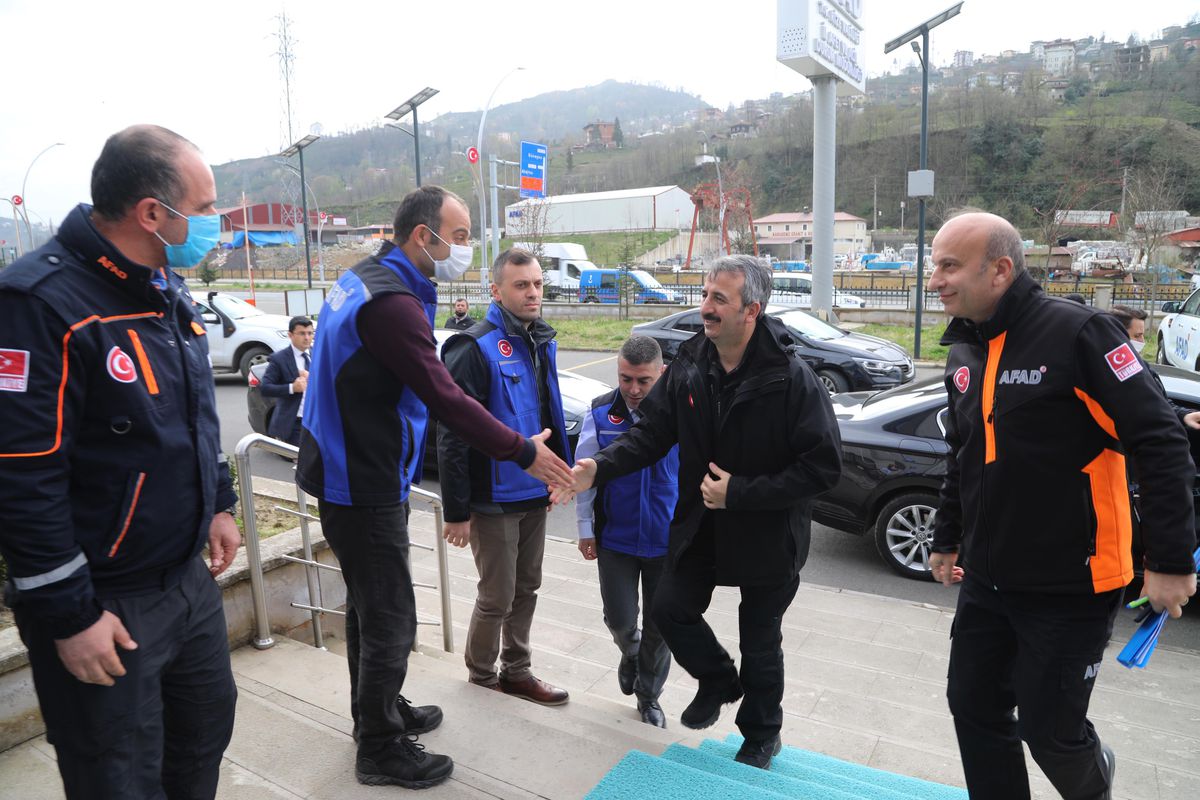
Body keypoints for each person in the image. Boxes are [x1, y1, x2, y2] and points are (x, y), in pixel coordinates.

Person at [296, 188, 573, 789]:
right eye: (463, 233)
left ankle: (379, 707)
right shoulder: (393, 304)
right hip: (359, 476)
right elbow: (446, 399)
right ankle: (380, 746)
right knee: (390, 616)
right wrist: (523, 450)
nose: (467, 247)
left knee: (370, 608)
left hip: (350, 464)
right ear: (425, 236)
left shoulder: (365, 277)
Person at [0, 125, 240, 799]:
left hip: (186, 585)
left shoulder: (162, 284)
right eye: (206, 203)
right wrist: (69, 616)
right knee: (117, 775)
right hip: (107, 603)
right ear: (152, 213)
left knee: (201, 741)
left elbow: (193, 414)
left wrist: (218, 503)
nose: (214, 221)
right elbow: (21, 474)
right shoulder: (40, 304)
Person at [927, 212, 1198, 800]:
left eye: (948, 265)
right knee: (972, 707)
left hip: (1071, 586)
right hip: (988, 579)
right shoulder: (965, 350)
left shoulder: (1080, 335)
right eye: (934, 265)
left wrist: (1171, 562)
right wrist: (947, 538)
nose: (934, 280)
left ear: (1000, 269)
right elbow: (964, 454)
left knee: (1051, 730)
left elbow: (1160, 440)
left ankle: (1092, 783)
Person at [553, 254, 842, 769]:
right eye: (705, 294)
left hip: (768, 534)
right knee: (669, 608)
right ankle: (717, 679)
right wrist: (595, 468)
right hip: (701, 525)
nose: (704, 307)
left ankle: (760, 735)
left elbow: (823, 468)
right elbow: (649, 434)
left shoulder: (793, 379)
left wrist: (742, 492)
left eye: (718, 299)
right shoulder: (689, 366)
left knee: (760, 641)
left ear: (751, 310)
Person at [438, 247, 573, 706]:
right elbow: (452, 433)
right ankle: (481, 677)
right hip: (493, 497)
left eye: (537, 284)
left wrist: (562, 476)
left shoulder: (541, 341)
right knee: (497, 594)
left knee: (527, 588)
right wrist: (457, 511)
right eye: (521, 285)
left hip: (534, 492)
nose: (533, 292)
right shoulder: (472, 347)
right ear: (496, 291)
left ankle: (517, 671)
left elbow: (549, 413)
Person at [574, 335, 677, 728]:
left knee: (660, 626)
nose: (633, 390)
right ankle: (630, 652)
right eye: (625, 379)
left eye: (643, 381)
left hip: (665, 544)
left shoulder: (681, 414)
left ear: (661, 374)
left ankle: (649, 697)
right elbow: (584, 476)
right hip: (615, 539)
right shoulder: (600, 414)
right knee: (619, 618)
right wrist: (586, 529)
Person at [260, 315, 314, 446]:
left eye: (310, 333)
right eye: (302, 333)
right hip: (296, 422)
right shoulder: (279, 359)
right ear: (290, 335)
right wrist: (292, 388)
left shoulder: (317, 353)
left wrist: (313, 377)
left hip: (317, 419)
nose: (307, 338)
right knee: (301, 460)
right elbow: (265, 388)